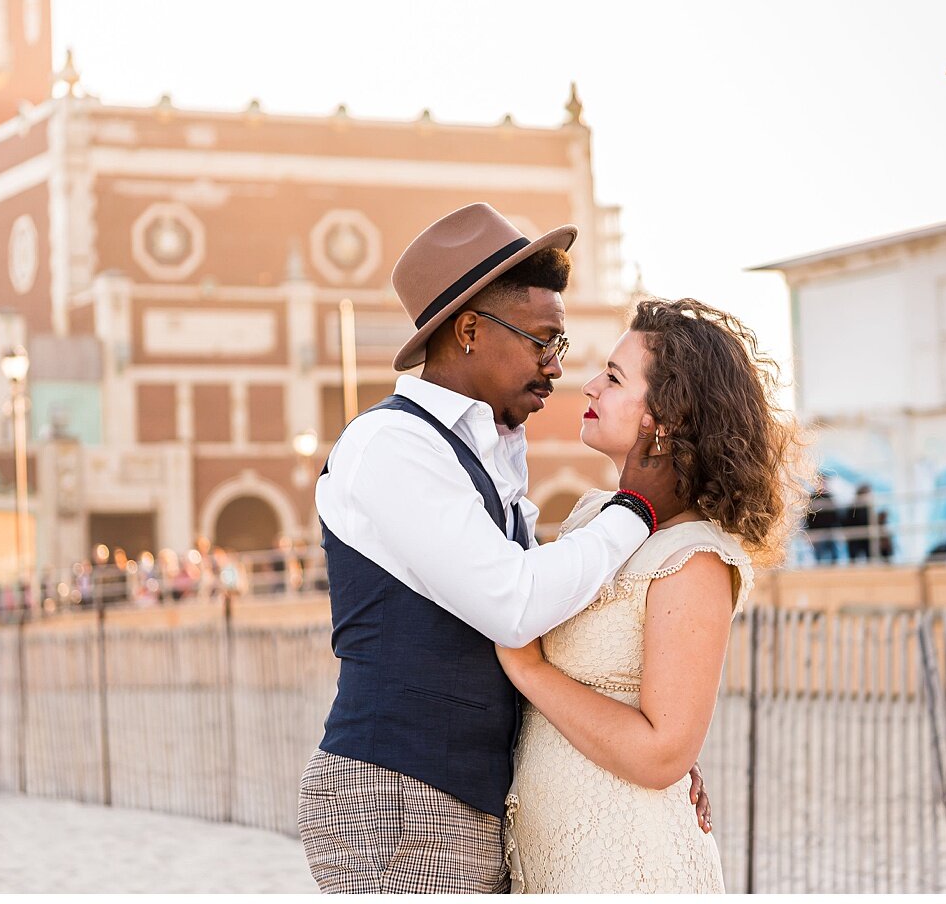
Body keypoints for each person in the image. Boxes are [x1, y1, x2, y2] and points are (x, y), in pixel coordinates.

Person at [298, 203, 695, 893]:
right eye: (543, 340)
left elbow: (548, 630)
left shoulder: (489, 455)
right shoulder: (391, 444)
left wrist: (655, 746)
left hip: (460, 799)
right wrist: (637, 506)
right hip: (400, 799)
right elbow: (515, 606)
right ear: (470, 330)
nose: (555, 367)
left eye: (561, 347)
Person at [496, 298, 805, 892]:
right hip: (552, 849)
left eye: (613, 378)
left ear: (666, 416)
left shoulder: (693, 559)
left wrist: (529, 671)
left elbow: (663, 753)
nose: (587, 386)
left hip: (627, 860)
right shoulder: (592, 520)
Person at [803, 481, 840, 564]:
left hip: (828, 529)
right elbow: (807, 516)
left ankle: (834, 570)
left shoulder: (829, 497)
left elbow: (835, 515)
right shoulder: (812, 497)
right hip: (817, 530)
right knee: (819, 553)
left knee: (833, 552)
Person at [843, 483, 873, 562]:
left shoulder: (867, 506)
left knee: (868, 557)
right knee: (854, 558)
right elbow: (847, 521)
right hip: (855, 536)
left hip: (864, 535)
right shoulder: (854, 506)